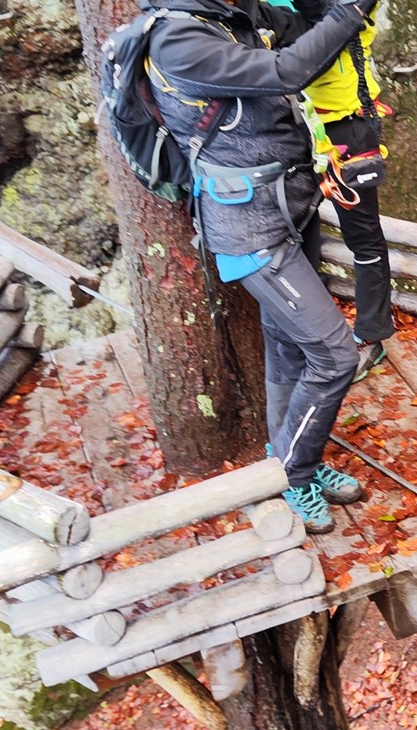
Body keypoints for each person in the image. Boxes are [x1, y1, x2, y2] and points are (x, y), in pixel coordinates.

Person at [140, 0, 376, 533]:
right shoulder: (178, 41)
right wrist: (350, 12)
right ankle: (293, 473)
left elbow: (304, 30)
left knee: (288, 343)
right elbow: (285, 70)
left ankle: (294, 458)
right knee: (336, 356)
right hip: (249, 228)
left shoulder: (226, 15)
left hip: (288, 205)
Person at [304, 5, 394, 377]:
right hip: (291, 129)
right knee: (297, 234)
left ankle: (370, 338)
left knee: (364, 237)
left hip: (346, 130)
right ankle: (308, 337)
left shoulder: (345, 9)